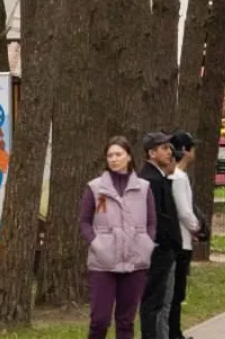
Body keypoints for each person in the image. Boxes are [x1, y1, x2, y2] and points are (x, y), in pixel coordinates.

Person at [80, 136, 157, 339]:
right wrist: (96, 243)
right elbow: (84, 222)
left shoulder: (144, 188)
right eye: (110, 155)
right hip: (103, 263)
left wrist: (147, 243)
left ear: (129, 156)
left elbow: (151, 222)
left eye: (118, 154)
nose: (114, 159)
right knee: (100, 320)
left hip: (135, 262)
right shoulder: (95, 188)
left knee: (126, 321)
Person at [139, 132, 183, 339]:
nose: (170, 152)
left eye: (169, 148)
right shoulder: (150, 180)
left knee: (161, 301)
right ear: (151, 152)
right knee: (155, 302)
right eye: (164, 148)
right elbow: (156, 219)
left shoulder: (159, 177)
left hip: (164, 250)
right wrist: (166, 244)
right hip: (158, 252)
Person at [168, 131, 201, 339]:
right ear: (186, 151)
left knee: (177, 292)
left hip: (181, 239)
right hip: (181, 241)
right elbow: (184, 211)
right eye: (192, 147)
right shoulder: (179, 177)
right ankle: (174, 333)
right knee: (176, 292)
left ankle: (175, 331)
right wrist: (197, 228)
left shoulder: (175, 175)